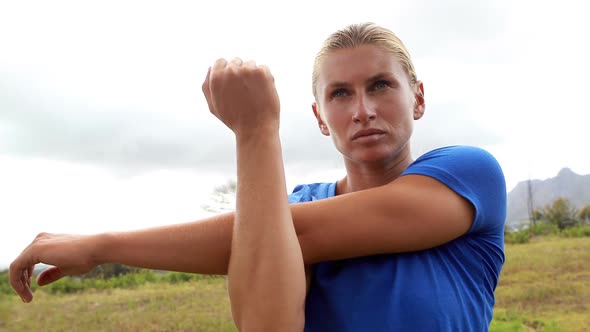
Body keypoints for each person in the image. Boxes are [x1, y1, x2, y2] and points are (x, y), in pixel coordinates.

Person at [9, 22, 507, 331]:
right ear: (318, 117)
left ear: (418, 97)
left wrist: (255, 131)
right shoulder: (291, 209)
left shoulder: (467, 174)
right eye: (339, 94)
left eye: (380, 85)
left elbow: (295, 231)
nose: (362, 110)